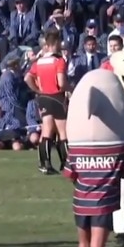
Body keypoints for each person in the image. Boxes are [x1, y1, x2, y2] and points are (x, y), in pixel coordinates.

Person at [63, 69, 124, 247]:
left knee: (82, 244)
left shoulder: (76, 148)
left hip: (81, 201)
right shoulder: (120, 148)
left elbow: (69, 174)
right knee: (97, 245)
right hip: (103, 202)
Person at [24, 30, 70, 174]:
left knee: (46, 131)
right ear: (55, 43)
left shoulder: (39, 61)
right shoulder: (59, 61)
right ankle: (66, 164)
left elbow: (27, 78)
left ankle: (45, 164)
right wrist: (71, 87)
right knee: (63, 133)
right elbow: (61, 83)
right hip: (57, 96)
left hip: (43, 98)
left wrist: (37, 90)